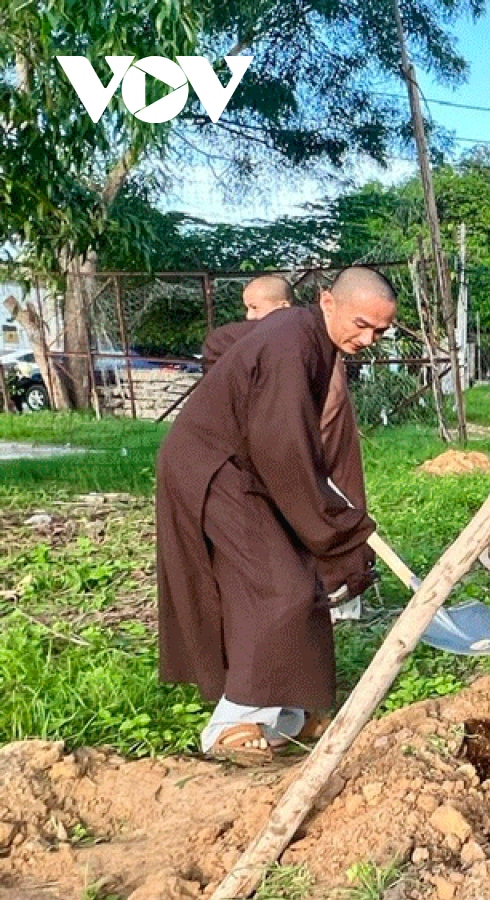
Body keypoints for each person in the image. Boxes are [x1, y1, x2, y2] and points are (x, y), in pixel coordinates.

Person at [156, 267, 397, 764]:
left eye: (379, 331)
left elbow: (228, 347)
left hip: (245, 465)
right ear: (327, 301)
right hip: (215, 467)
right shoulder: (292, 343)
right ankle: (230, 723)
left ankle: (285, 714)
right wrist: (339, 533)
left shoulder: (303, 333)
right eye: (361, 325)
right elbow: (287, 452)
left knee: (295, 577)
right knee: (280, 586)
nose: (367, 339)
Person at [202, 275, 365, 505]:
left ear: (283, 307)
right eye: (247, 308)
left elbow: (328, 410)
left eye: (255, 307)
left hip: (315, 457)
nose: (249, 317)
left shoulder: (305, 348)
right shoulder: (281, 344)